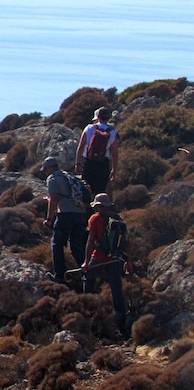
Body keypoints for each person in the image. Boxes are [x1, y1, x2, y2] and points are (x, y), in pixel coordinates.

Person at [80, 193, 132, 336]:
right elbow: (126, 243)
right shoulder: (118, 218)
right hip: (115, 259)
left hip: (99, 257)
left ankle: (88, 312)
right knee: (116, 289)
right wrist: (128, 262)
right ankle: (122, 323)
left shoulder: (95, 218)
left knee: (88, 278)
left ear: (98, 206)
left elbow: (90, 241)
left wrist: (85, 262)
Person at [40, 156, 89, 282]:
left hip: (66, 215)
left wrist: (49, 220)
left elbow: (53, 199)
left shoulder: (53, 179)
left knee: (56, 244)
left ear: (50, 168)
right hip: (82, 214)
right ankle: (87, 274)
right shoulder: (70, 176)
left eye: (46, 169)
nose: (45, 172)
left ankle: (60, 275)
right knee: (76, 245)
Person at [75, 106, 120, 196]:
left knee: (86, 189)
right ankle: (98, 208)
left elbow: (80, 147)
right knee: (99, 192)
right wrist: (114, 170)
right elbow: (114, 153)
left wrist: (78, 163)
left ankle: (87, 208)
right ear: (109, 118)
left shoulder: (89, 128)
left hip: (88, 162)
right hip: (103, 164)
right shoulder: (113, 133)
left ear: (98, 116)